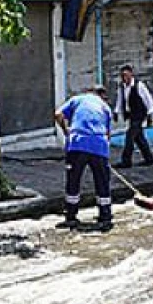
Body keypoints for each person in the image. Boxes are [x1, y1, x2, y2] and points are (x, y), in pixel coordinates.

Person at [54, 85, 114, 232]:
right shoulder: (105, 108)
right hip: (99, 145)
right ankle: (105, 216)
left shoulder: (77, 99)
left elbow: (58, 114)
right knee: (102, 182)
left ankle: (71, 217)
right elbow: (107, 134)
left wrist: (66, 130)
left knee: (73, 181)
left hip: (78, 144)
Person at [113, 64, 153, 168]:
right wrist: (116, 112)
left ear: (131, 74)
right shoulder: (121, 86)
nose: (124, 78)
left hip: (139, 114)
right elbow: (120, 99)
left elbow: (149, 100)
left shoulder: (139, 85)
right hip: (130, 114)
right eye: (123, 76)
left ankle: (126, 161)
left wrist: (151, 115)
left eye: (126, 75)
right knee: (139, 138)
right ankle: (149, 158)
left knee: (130, 137)